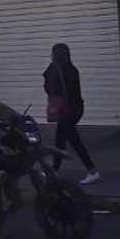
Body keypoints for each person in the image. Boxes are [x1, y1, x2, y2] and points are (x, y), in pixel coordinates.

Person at [44, 43, 99, 185]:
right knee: (60, 138)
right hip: (75, 108)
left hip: (66, 110)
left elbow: (49, 87)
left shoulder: (56, 69)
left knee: (73, 140)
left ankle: (92, 170)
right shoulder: (72, 69)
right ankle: (54, 170)